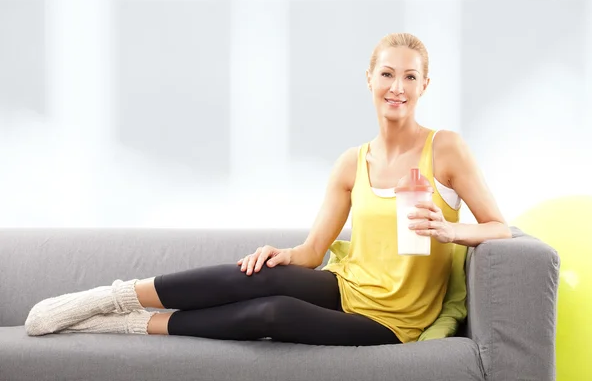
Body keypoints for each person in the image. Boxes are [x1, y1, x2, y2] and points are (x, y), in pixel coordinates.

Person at [25, 32, 511, 346]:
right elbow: (314, 251)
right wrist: (280, 254)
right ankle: (108, 298)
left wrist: (450, 231)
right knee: (260, 277)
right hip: (349, 286)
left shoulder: (445, 149)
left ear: (425, 85)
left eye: (410, 76)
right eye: (387, 73)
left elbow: (500, 228)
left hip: (395, 320)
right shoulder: (352, 163)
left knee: (273, 314)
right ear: (369, 79)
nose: (397, 87)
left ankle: (131, 324)